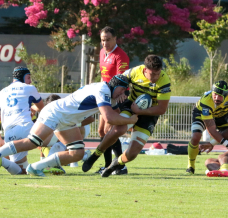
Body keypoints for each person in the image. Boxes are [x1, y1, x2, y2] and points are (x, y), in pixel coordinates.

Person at [0, 74, 138, 177]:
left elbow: (116, 117)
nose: (123, 93)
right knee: (32, 142)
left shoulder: (110, 95)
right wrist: (131, 119)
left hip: (68, 120)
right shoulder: (103, 89)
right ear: (116, 85)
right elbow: (109, 118)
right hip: (56, 112)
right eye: (123, 89)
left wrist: (124, 112)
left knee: (77, 153)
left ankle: (35, 167)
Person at [82, 54, 171, 177]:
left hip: (150, 113)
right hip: (131, 106)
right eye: (152, 74)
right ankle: (95, 155)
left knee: (133, 153)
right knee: (118, 129)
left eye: (158, 73)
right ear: (145, 70)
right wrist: (119, 94)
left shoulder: (164, 80)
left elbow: (161, 109)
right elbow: (118, 80)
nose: (156, 77)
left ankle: (115, 163)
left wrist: (139, 111)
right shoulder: (134, 72)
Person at [97, 26, 130, 175]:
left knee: (108, 131)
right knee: (101, 132)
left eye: (108, 39)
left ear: (115, 39)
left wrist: (121, 94)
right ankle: (113, 165)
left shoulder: (120, 56)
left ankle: (117, 165)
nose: (105, 43)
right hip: (104, 96)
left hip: (114, 98)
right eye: (103, 40)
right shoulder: (102, 53)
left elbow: (121, 79)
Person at [0, 66, 44, 175]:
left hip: (9, 131)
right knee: (56, 138)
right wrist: (33, 109)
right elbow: (41, 107)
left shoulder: (2, 92)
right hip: (25, 127)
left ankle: (3, 162)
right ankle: (52, 164)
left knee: (21, 170)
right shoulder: (29, 88)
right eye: (28, 77)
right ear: (23, 77)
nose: (30, 81)